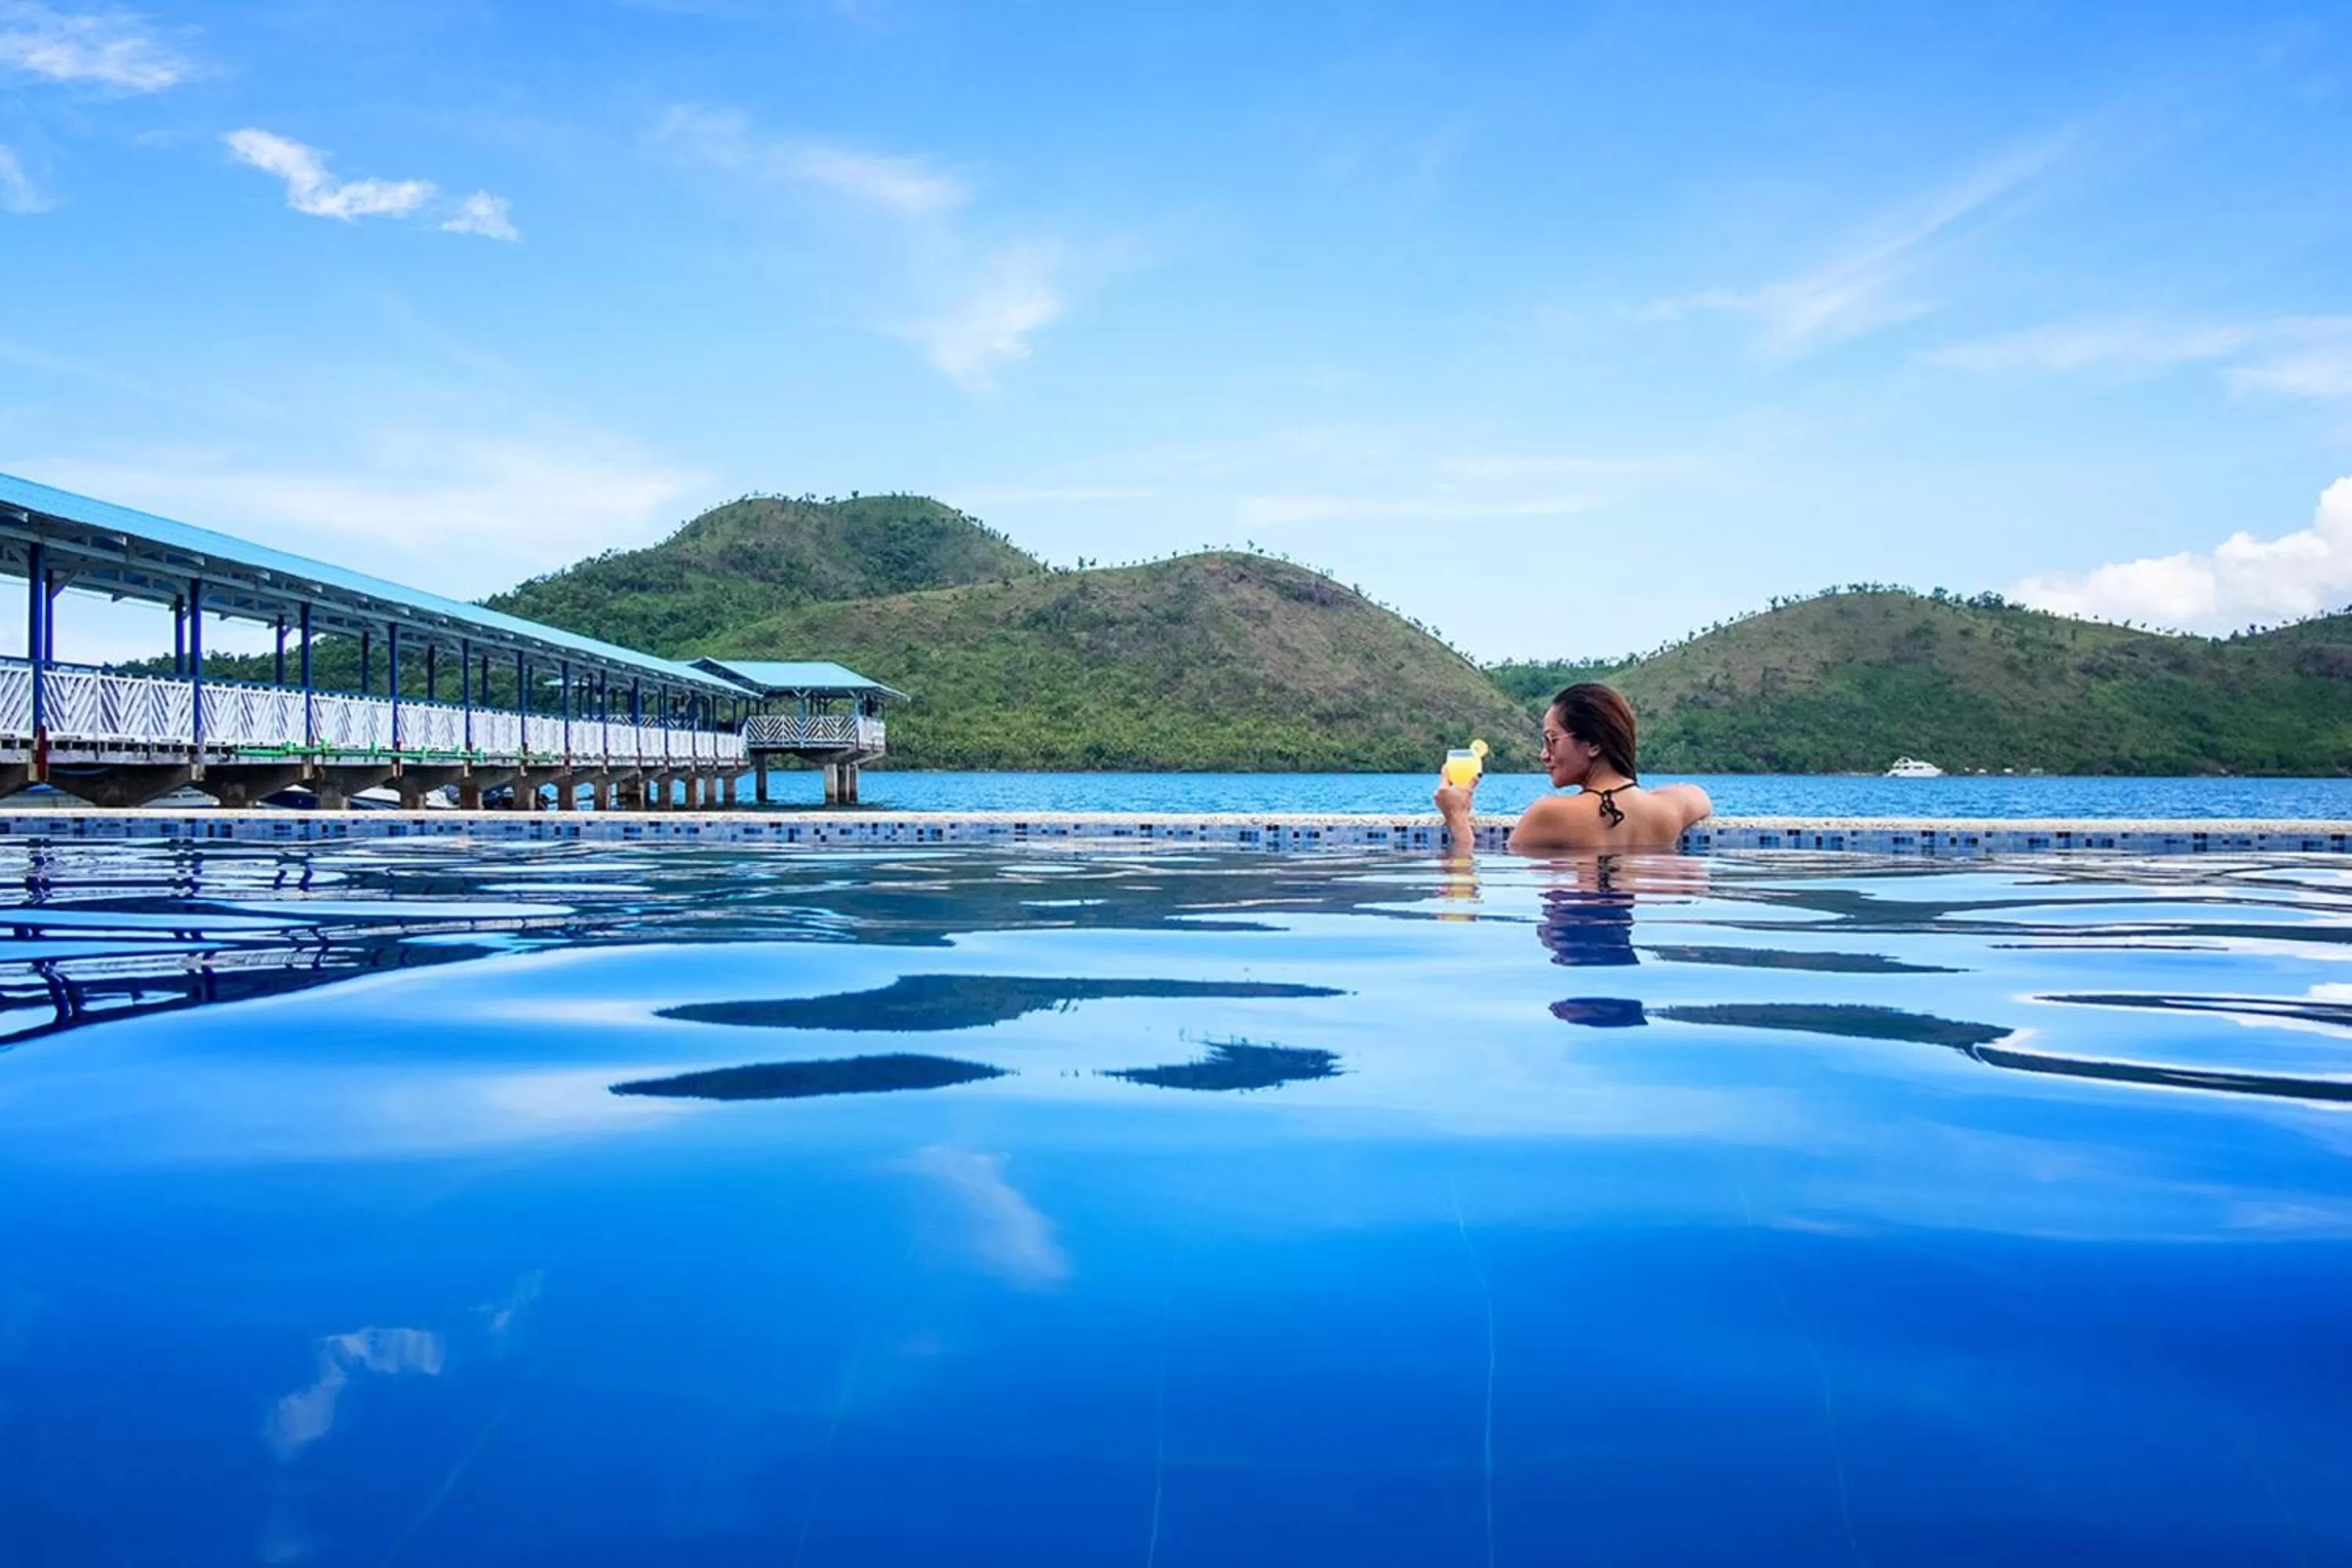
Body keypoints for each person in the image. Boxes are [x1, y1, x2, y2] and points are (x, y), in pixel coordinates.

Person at [1437, 682, 1711, 853]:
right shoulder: (1669, 810)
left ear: (1593, 744)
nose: (1544, 754)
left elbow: (1465, 861)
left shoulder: (1550, 813)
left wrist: (1457, 817)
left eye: (1551, 740)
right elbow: (1698, 796)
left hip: (1574, 939)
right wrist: (1639, 797)